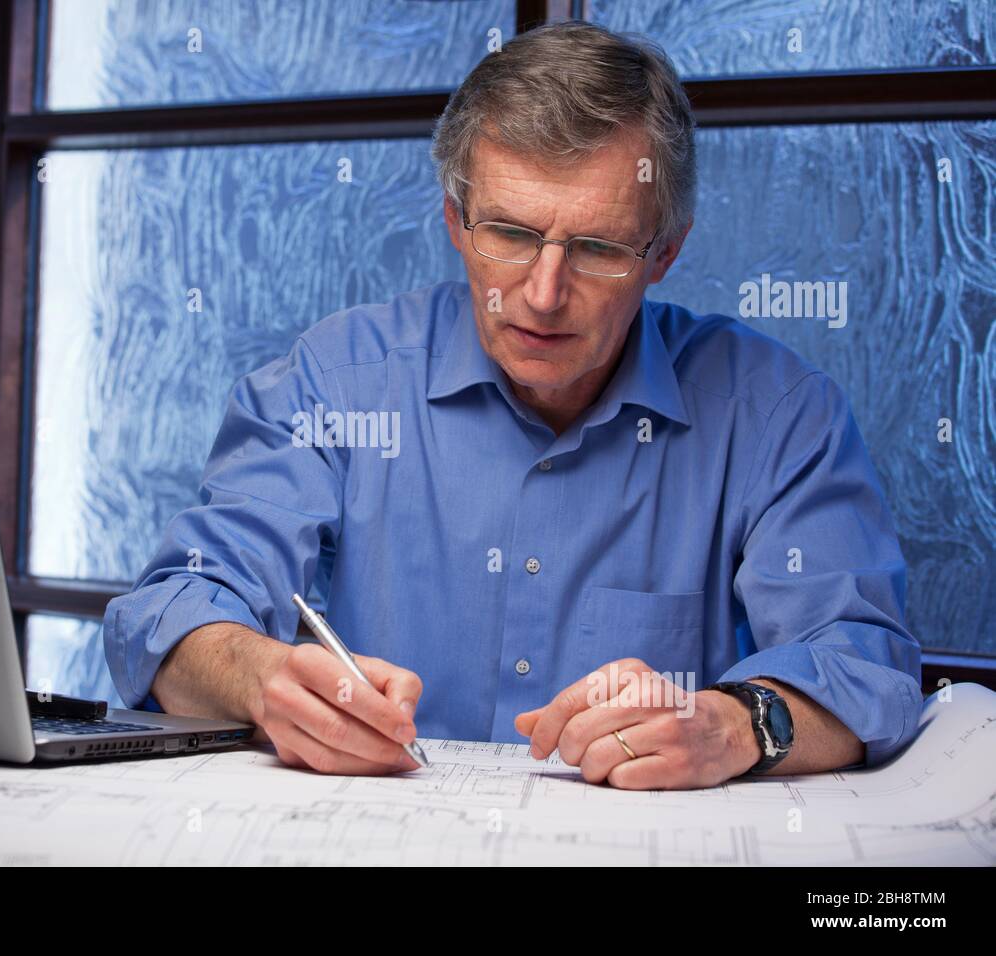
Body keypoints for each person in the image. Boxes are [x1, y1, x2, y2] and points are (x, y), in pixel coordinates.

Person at [103, 21, 921, 789]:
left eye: (597, 248)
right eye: (510, 232)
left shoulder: (775, 415)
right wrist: (263, 678)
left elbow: (862, 665)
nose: (542, 293)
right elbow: (169, 616)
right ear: (456, 220)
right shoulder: (335, 383)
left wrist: (739, 724)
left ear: (664, 252)